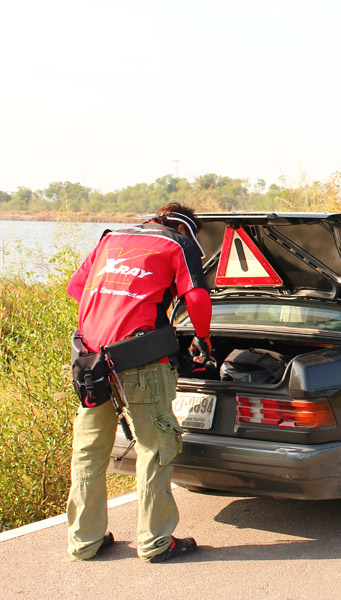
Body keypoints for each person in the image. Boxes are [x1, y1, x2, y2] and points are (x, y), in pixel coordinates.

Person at [65, 202, 212, 563]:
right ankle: (156, 541)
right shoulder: (177, 244)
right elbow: (196, 297)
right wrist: (203, 341)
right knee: (155, 444)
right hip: (142, 360)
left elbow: (75, 288)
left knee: (89, 449)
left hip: (91, 361)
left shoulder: (111, 239)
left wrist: (112, 312)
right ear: (187, 228)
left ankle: (85, 541)